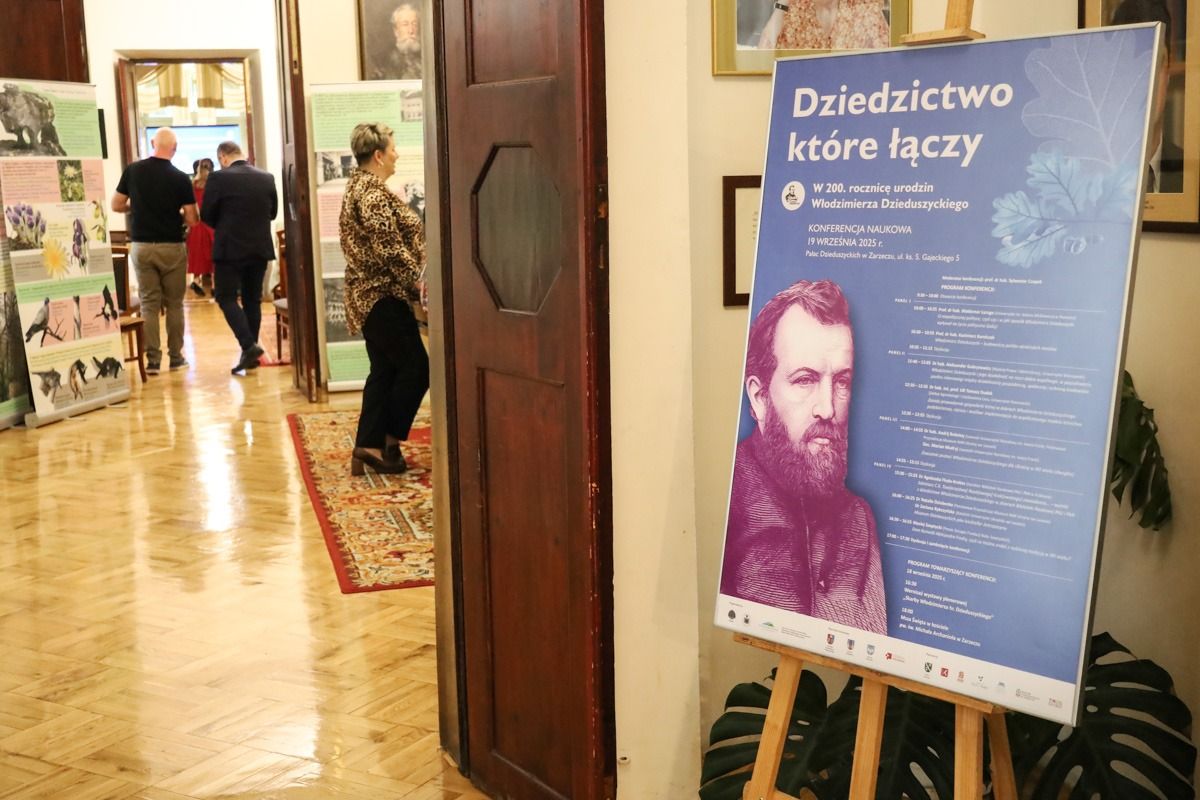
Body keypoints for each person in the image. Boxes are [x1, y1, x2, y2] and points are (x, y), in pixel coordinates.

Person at [720, 279, 886, 634]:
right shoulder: (726, 499)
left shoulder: (858, 521)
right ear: (759, 398)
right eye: (805, 380)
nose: (827, 408)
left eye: (841, 382)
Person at [338, 122, 427, 476]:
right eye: (392, 149)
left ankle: (369, 445)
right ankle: (386, 440)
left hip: (369, 295)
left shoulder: (360, 186)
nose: (397, 155)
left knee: (385, 370)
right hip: (381, 296)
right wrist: (421, 286)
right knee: (417, 368)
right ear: (378, 155)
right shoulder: (372, 195)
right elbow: (390, 250)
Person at [111, 127, 197, 374]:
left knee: (149, 303)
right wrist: (177, 213)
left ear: (152, 143)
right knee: (174, 304)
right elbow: (193, 219)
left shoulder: (133, 171)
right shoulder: (181, 178)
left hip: (142, 246)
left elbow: (116, 204)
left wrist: (135, 208)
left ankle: (153, 361)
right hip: (172, 247)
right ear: (175, 149)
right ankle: (176, 358)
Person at [200, 141, 279, 374]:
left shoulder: (218, 178)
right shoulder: (266, 177)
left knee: (225, 297)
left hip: (229, 249)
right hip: (259, 248)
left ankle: (248, 346)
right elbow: (272, 212)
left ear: (223, 157)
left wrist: (225, 224)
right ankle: (250, 356)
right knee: (252, 300)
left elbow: (207, 215)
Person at [1110, 0, 1183, 193]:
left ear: (1168, 71)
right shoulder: (1084, 176)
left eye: (1155, 62)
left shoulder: (1191, 175)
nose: (1144, 81)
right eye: (1130, 65)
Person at [758, 0, 890, 50]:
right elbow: (762, 60)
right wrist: (782, 4)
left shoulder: (864, 8)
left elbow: (888, 63)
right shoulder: (794, 11)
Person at [369, 2, 422, 79]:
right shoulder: (383, 61)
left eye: (414, 24)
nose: (411, 30)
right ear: (396, 31)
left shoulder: (427, 57)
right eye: (405, 24)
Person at [187, 158, 216, 297]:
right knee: (212, 252)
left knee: (197, 252)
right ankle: (215, 284)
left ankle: (197, 280)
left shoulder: (192, 185)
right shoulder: (215, 184)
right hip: (210, 222)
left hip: (197, 223)